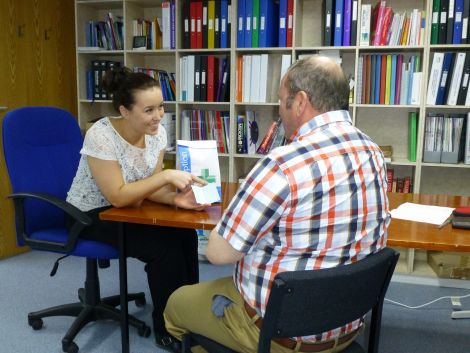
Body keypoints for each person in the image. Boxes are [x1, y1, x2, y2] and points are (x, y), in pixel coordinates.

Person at [163, 56, 391, 353]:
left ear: (300, 102)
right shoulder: (372, 151)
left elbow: (218, 253)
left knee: (176, 305)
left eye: (281, 101)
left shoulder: (283, 164)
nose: (279, 111)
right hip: (346, 323)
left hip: (280, 333)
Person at [66, 67, 208, 352]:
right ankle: (166, 327)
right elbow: (117, 196)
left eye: (161, 107)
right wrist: (167, 177)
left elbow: (148, 187)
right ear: (125, 110)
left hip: (130, 207)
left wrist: (174, 200)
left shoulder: (156, 133)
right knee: (163, 247)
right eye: (149, 110)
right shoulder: (101, 135)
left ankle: (187, 316)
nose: (158, 116)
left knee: (185, 234)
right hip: (90, 214)